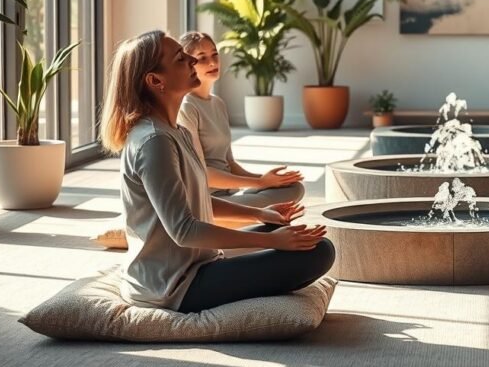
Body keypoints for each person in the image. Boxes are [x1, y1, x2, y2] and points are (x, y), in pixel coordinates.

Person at [100, 30, 334, 312]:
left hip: (197, 261)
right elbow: (184, 230)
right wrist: (268, 241)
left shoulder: (177, 132)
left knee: (293, 235)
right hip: (173, 285)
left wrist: (259, 213)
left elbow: (193, 200)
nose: (190, 60)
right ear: (155, 81)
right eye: (180, 58)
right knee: (319, 253)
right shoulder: (154, 141)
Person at [177, 31, 305, 208]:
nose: (213, 62)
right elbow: (200, 173)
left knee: (294, 188)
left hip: (231, 194)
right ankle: (237, 217)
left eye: (215, 55)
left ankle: (246, 216)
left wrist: (265, 179)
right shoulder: (187, 106)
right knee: (269, 203)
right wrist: (260, 183)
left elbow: (229, 162)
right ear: (188, 64)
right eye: (202, 58)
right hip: (206, 201)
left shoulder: (218, 104)